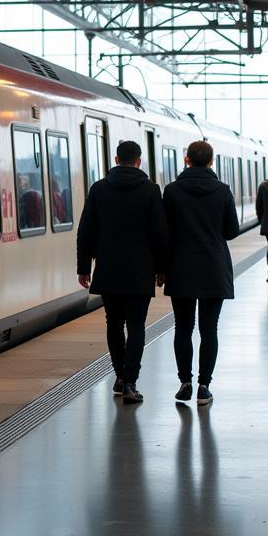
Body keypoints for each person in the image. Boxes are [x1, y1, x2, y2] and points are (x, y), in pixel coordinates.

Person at [77, 140, 168, 405]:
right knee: (136, 326)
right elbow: (160, 232)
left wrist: (84, 267)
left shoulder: (99, 189)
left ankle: (119, 377)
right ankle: (130, 381)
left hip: (108, 268)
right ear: (139, 161)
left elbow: (86, 230)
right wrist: (162, 268)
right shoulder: (151, 191)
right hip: (140, 270)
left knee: (113, 324)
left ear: (116, 159)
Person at [162, 139, 240, 406]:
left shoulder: (172, 191)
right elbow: (231, 231)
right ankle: (204, 387)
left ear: (186, 160)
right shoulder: (222, 190)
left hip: (180, 266)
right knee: (209, 329)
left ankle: (184, 382)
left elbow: (164, 232)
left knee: (182, 328)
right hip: (213, 267)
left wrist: (162, 268)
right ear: (211, 161)